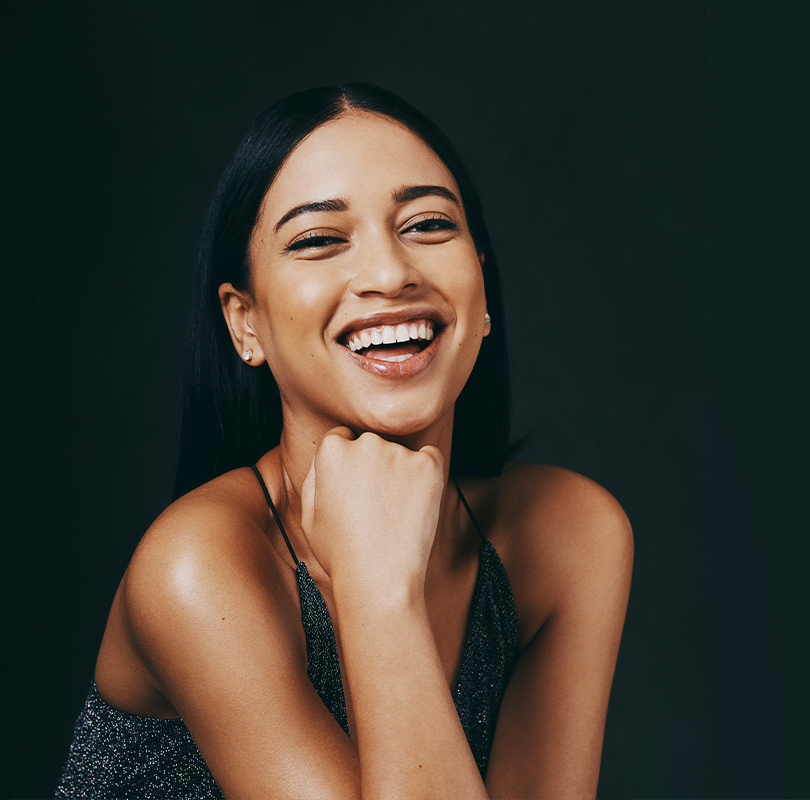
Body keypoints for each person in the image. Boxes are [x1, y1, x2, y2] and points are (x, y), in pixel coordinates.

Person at [56, 83, 632, 799]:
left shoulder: (567, 534)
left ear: (483, 294)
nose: (391, 274)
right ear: (246, 325)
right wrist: (377, 587)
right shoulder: (199, 568)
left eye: (426, 225)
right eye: (319, 240)